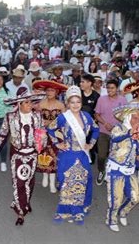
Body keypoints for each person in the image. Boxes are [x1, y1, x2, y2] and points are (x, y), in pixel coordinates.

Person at [0, 88, 47, 225]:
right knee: (19, 182)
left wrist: (42, 144)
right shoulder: (10, 117)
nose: (29, 105)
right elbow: (2, 135)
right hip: (17, 155)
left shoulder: (37, 116)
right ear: (19, 104)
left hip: (32, 154)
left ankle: (24, 201)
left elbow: (41, 134)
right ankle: (21, 211)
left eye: (31, 102)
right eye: (26, 102)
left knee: (30, 181)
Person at [47, 85, 99, 225]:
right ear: (67, 103)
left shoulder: (87, 116)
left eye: (78, 102)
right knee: (67, 182)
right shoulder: (63, 117)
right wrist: (57, 144)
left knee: (84, 181)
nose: (75, 105)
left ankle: (79, 208)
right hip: (68, 155)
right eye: (72, 102)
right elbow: (50, 129)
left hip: (82, 154)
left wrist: (91, 144)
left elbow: (96, 129)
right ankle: (68, 209)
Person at [105, 103, 139, 232]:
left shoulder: (137, 134)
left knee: (135, 198)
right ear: (128, 117)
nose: (137, 121)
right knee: (116, 199)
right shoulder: (119, 128)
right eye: (134, 118)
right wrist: (129, 132)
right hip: (116, 169)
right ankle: (111, 219)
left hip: (130, 169)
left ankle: (123, 212)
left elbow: (134, 149)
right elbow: (115, 139)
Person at [33, 80, 67, 193]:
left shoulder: (61, 105)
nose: (49, 92)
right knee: (43, 155)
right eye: (47, 90)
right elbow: (35, 118)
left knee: (54, 156)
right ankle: (44, 175)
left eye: (52, 90)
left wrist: (55, 125)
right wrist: (43, 123)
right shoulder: (40, 104)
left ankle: (52, 182)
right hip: (43, 133)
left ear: (57, 92)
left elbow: (65, 121)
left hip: (56, 135)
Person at [95, 79, 128, 185]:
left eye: (112, 88)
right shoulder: (101, 99)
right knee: (101, 155)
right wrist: (105, 123)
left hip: (118, 133)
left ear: (117, 89)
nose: (110, 90)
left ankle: (111, 174)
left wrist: (116, 126)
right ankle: (101, 171)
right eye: (108, 88)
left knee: (114, 155)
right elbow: (97, 114)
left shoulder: (123, 100)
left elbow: (126, 116)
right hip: (103, 132)